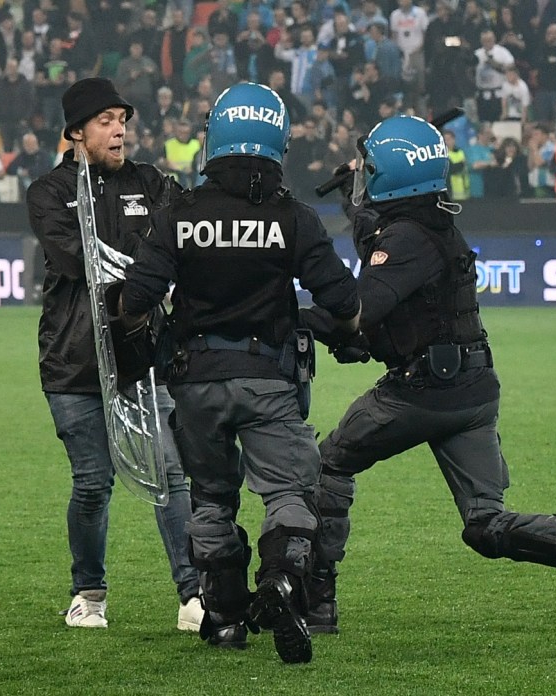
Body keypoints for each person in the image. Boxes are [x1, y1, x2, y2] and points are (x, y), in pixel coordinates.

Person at [306, 113, 556, 638]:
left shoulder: (407, 238)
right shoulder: (436, 225)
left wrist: (290, 318)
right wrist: (359, 206)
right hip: (473, 392)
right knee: (485, 524)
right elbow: (394, 288)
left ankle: (315, 601)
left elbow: (357, 309)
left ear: (390, 175)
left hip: (420, 393)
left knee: (327, 466)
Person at [116, 82, 361, 663]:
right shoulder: (293, 218)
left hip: (195, 381)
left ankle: (224, 617)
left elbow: (137, 300)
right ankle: (280, 581)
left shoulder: (180, 212)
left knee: (210, 499)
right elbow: (345, 303)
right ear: (278, 142)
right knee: (288, 492)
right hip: (270, 379)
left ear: (214, 138)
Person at [25, 77, 203, 632]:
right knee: (92, 483)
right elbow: (81, 262)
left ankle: (193, 596)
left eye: (122, 118)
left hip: (145, 355)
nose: (119, 128)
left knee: (171, 475)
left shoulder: (152, 183)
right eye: (105, 120)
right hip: (73, 360)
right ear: (76, 132)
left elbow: (186, 241)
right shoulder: (49, 193)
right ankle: (89, 592)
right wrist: (153, 268)